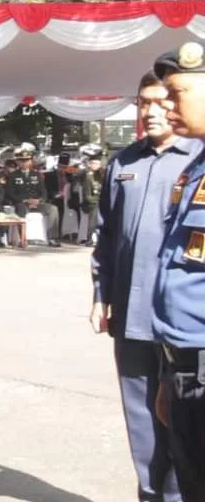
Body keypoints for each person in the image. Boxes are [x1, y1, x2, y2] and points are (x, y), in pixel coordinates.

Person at [91, 69, 196, 502]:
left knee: (186, 430)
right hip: (132, 319)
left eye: (160, 101)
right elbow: (107, 238)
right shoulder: (123, 163)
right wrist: (101, 295)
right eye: (143, 103)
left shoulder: (198, 159)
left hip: (185, 325)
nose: (151, 112)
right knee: (143, 428)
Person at [152, 41, 205, 500]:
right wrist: (173, 375)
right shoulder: (195, 169)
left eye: (177, 91)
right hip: (183, 364)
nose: (167, 105)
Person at [5, 148, 61, 246]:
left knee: (53, 209)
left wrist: (39, 201)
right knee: (21, 209)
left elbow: (44, 192)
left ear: (31, 161)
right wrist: (25, 200)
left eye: (27, 160)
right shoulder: (13, 176)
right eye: (21, 160)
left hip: (37, 202)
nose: (24, 163)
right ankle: (22, 238)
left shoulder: (37, 175)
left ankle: (52, 238)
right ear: (17, 162)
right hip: (22, 203)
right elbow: (10, 193)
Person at [78, 145, 105, 246]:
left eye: (97, 163)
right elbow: (87, 197)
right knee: (96, 210)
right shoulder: (87, 177)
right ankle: (90, 238)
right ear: (89, 164)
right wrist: (99, 200)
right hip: (89, 204)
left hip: (99, 201)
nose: (95, 165)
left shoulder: (101, 175)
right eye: (93, 163)